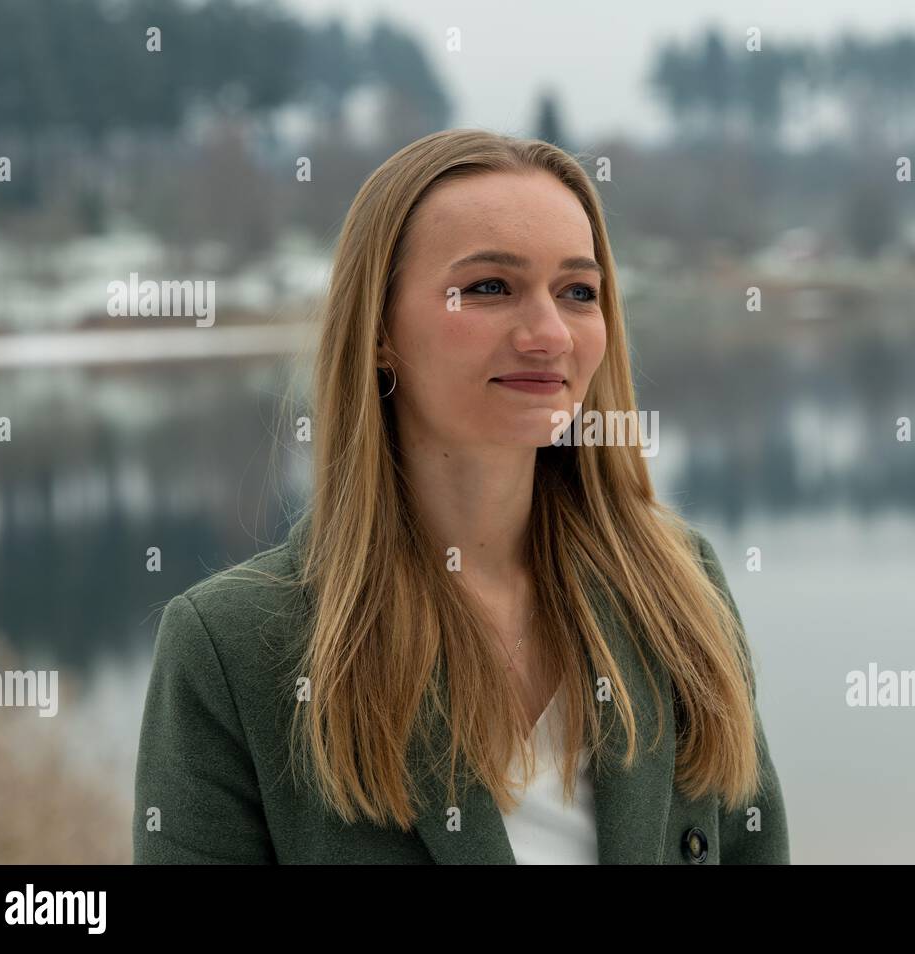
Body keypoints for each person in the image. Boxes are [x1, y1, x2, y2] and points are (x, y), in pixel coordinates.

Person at [132, 128, 789, 864]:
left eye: (578, 291)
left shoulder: (678, 586)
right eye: (488, 288)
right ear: (379, 327)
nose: (548, 334)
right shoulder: (233, 650)